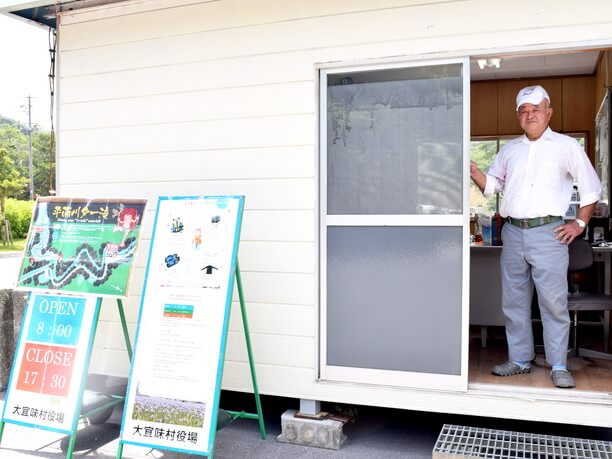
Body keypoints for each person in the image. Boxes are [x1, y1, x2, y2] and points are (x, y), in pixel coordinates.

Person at [470, 85, 601, 389]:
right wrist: (473, 170)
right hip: (513, 232)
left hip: (549, 232)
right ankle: (519, 359)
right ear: (518, 116)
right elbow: (492, 186)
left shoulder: (566, 146)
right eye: (524, 111)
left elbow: (591, 189)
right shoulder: (510, 150)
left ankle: (558, 364)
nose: (530, 115)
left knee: (552, 302)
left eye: (536, 110)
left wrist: (579, 224)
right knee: (513, 301)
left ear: (548, 112)